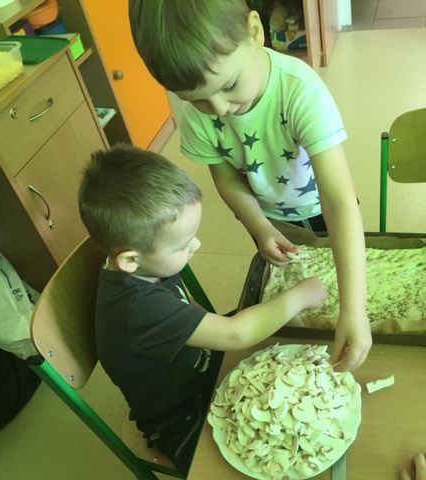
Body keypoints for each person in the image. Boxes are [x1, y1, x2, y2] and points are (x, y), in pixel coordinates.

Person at [128, 0, 372, 372]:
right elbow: (226, 178)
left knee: (344, 287)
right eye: (196, 100)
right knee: (293, 296)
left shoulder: (299, 90)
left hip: (323, 209)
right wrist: (259, 227)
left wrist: (354, 311)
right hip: (268, 216)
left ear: (255, 32)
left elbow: (339, 200)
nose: (219, 109)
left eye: (229, 86)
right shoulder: (198, 114)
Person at [78, 144, 326, 474]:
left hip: (205, 367)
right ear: (130, 260)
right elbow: (236, 334)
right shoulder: (137, 308)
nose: (197, 245)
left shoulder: (146, 264)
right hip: (181, 415)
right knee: (268, 455)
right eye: (183, 244)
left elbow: (191, 310)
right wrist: (300, 296)